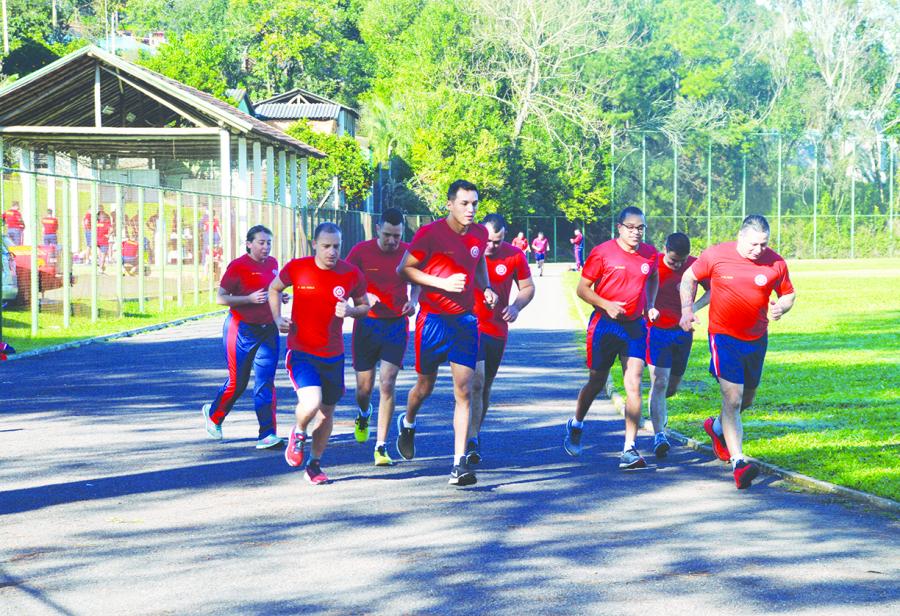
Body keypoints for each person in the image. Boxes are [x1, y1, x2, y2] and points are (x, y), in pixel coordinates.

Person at [680, 215, 796, 489]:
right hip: (724, 336)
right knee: (733, 398)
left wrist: (783, 306)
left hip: (756, 338)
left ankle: (717, 428)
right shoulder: (716, 255)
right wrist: (687, 308)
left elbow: (789, 293)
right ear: (741, 237)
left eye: (764, 244)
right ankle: (739, 463)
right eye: (754, 244)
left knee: (747, 400)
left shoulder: (776, 262)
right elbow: (689, 277)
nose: (759, 250)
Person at [396, 179, 497, 487]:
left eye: (475, 204)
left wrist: (487, 287)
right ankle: (408, 421)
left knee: (466, 390)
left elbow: (478, 263)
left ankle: (458, 464)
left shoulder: (480, 233)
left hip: (465, 322)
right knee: (424, 387)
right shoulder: (430, 234)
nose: (471, 209)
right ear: (450, 204)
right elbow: (405, 269)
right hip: (433, 321)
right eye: (465, 203)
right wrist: (441, 283)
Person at [269, 222, 370, 485]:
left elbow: (365, 307)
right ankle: (299, 431)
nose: (332, 252)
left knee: (326, 412)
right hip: (302, 351)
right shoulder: (298, 267)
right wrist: (277, 317)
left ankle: (314, 465)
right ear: (314, 244)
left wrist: (350, 311)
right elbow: (274, 288)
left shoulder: (351, 274)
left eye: (336, 246)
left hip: (333, 354)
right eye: (326, 246)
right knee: (312, 402)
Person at [564, 206, 659, 469]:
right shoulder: (602, 252)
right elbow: (582, 289)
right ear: (619, 227)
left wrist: (649, 303)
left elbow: (653, 277)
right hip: (605, 325)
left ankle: (629, 449)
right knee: (596, 382)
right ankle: (577, 423)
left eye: (641, 228)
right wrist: (606, 304)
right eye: (631, 227)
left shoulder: (650, 254)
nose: (636, 232)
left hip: (634, 327)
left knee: (634, 384)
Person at [201, 225, 287, 451]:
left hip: (267, 330)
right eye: (261, 242)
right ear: (249, 243)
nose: (266, 247)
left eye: (269, 242)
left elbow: (272, 291)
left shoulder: (273, 264)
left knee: (265, 382)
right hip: (240, 329)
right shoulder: (238, 266)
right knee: (238, 383)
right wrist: (248, 299)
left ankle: (267, 434)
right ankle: (214, 415)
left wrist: (280, 296)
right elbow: (221, 299)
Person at [346, 208, 420, 466]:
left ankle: (381, 446)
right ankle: (364, 413)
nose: (392, 241)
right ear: (377, 229)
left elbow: (417, 278)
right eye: (388, 235)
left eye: (397, 236)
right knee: (364, 390)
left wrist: (413, 300)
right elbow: (345, 282)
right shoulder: (360, 252)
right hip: (366, 324)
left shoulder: (408, 252)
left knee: (387, 384)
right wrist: (363, 298)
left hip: (396, 326)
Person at [467, 213, 535, 464]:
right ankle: (471, 439)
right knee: (476, 381)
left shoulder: (514, 255)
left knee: (485, 386)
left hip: (496, 329)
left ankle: (475, 432)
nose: (491, 246)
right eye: (488, 240)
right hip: (469, 325)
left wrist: (516, 307)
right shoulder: (469, 250)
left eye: (497, 241)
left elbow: (528, 288)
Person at [644, 233, 710, 458]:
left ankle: (658, 411)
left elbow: (712, 290)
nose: (678, 265)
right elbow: (639, 287)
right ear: (665, 250)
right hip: (657, 331)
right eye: (673, 260)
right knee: (659, 382)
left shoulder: (694, 266)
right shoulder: (654, 264)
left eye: (681, 260)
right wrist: (649, 307)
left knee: (671, 387)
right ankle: (659, 435)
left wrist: (692, 308)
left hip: (683, 333)